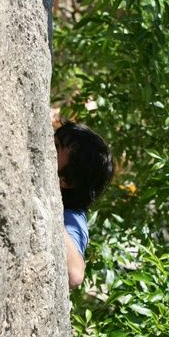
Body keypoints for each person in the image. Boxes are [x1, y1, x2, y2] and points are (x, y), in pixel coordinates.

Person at [54, 121, 114, 289]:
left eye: (56, 148)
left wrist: (51, 214)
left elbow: (74, 274)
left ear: (67, 180)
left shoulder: (72, 218)